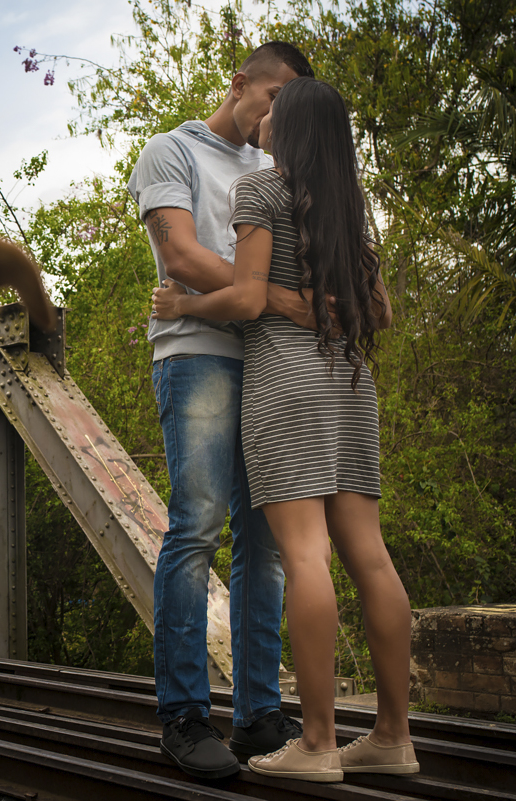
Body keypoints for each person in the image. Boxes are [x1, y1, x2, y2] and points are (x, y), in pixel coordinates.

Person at [151, 76, 418, 783]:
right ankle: (394, 734)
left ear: (291, 128)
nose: (266, 119)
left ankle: (319, 741)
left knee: (303, 556)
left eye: (278, 112)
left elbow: (241, 296)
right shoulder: (350, 206)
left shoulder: (263, 192)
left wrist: (182, 299)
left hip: (288, 383)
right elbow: (380, 312)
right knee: (373, 556)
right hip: (352, 383)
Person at [126, 42, 317, 780]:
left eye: (287, 108)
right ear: (239, 84)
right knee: (198, 523)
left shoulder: (275, 172)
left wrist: (248, 294)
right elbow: (179, 255)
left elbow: (282, 268)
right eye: (270, 99)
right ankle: (182, 714)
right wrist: (265, 296)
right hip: (196, 354)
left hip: (268, 363)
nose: (275, 117)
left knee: (266, 540)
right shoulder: (170, 151)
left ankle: (257, 713)